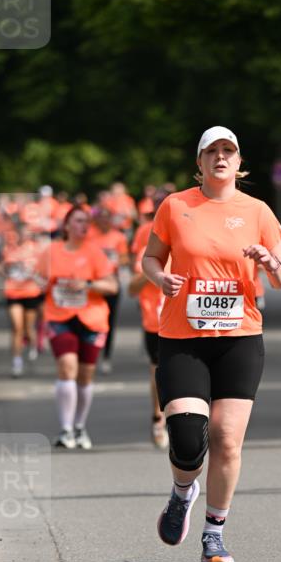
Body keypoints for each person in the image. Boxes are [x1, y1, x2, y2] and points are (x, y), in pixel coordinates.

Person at [142, 126, 281, 562]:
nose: (221, 158)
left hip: (239, 338)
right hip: (182, 337)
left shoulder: (259, 211)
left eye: (229, 151)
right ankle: (181, 491)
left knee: (227, 439)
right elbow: (150, 257)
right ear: (200, 162)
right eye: (212, 152)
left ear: (240, 163)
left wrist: (270, 262)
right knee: (189, 440)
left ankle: (214, 533)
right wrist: (160, 277)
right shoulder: (175, 206)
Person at [36, 206, 119, 449]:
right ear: (67, 226)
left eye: (86, 222)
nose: (84, 226)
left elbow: (112, 287)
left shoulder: (94, 252)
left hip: (92, 319)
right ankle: (65, 429)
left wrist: (87, 285)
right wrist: (44, 283)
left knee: (85, 375)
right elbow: (38, 281)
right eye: (79, 221)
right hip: (59, 317)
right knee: (66, 366)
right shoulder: (51, 252)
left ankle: (80, 426)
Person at [128, 190, 170, 449]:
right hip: (154, 316)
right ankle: (158, 417)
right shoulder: (145, 235)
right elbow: (132, 287)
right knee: (158, 370)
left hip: (187, 315)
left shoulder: (190, 233)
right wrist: (154, 269)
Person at [88, 208, 128, 373]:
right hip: (94, 283)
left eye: (107, 218)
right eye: (101, 218)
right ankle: (91, 352)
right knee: (91, 319)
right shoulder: (90, 235)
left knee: (109, 321)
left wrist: (116, 259)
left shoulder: (118, 237)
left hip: (111, 283)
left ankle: (106, 356)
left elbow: (125, 258)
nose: (104, 221)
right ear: (96, 220)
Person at [2, 226, 45, 377]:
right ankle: (16, 361)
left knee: (28, 327)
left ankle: (33, 344)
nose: (23, 234)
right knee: (17, 327)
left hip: (31, 292)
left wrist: (33, 272)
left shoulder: (36, 249)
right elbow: (4, 268)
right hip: (13, 292)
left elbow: (43, 270)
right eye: (21, 231)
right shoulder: (9, 248)